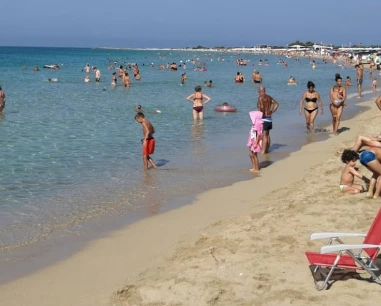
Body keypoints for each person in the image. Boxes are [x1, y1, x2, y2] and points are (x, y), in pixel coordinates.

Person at [257, 86, 279, 154]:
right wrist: (271, 111)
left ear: (260, 91)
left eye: (258, 91)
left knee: (264, 135)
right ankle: (267, 149)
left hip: (264, 118)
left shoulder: (260, 98)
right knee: (267, 134)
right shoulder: (269, 97)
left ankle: (263, 151)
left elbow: (262, 108)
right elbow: (276, 104)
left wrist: (259, 117)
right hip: (269, 118)